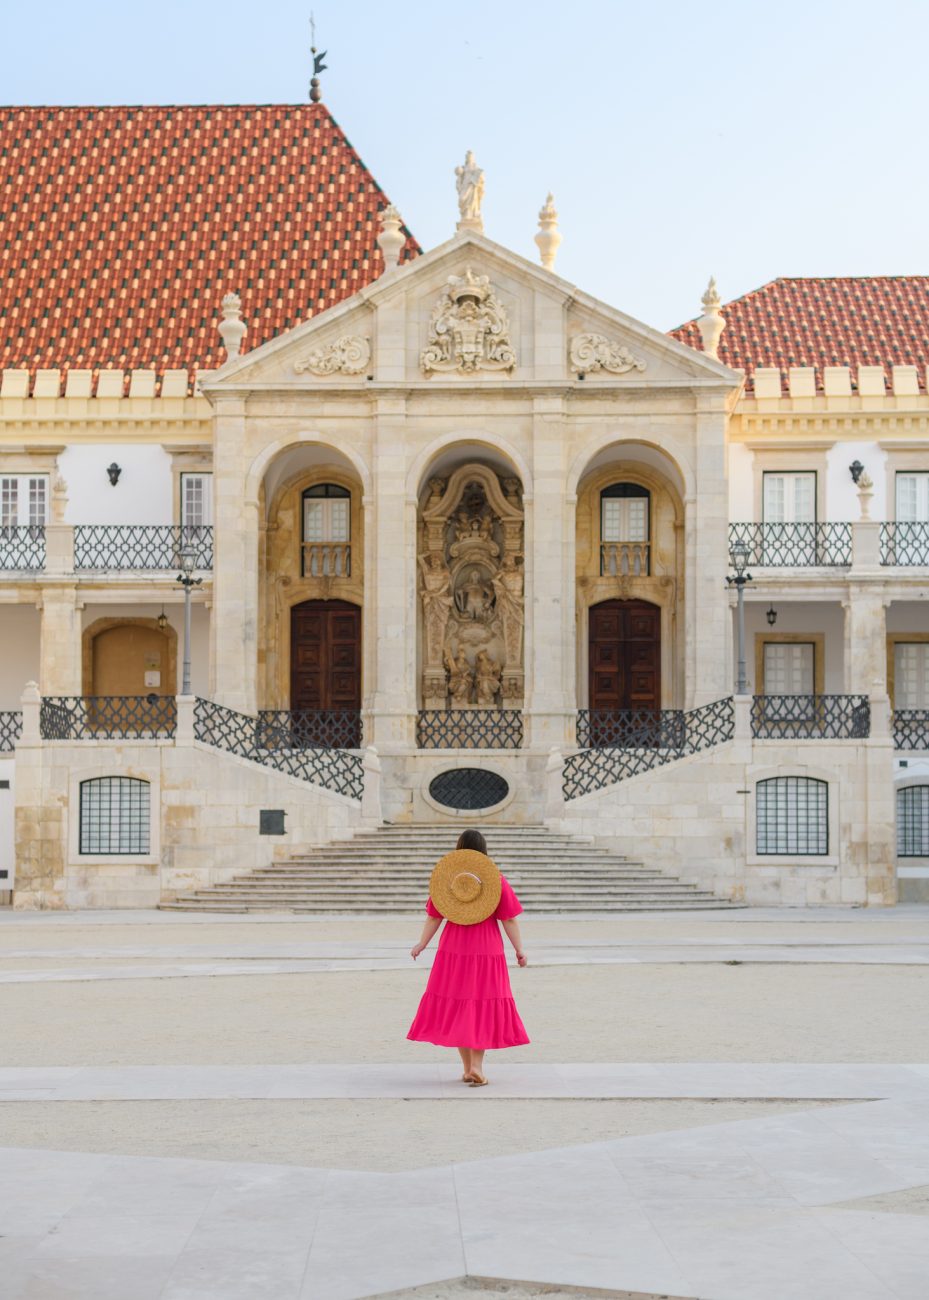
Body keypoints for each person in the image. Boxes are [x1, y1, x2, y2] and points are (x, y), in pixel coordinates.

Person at [407, 828, 529, 1087]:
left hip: (454, 948)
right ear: (484, 851)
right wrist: (519, 949)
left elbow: (434, 916)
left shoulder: (448, 880)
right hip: (486, 948)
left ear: (459, 849)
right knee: (482, 1001)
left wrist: (422, 943)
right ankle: (476, 1066)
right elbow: (509, 918)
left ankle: (466, 1068)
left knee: (458, 1001)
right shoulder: (495, 880)